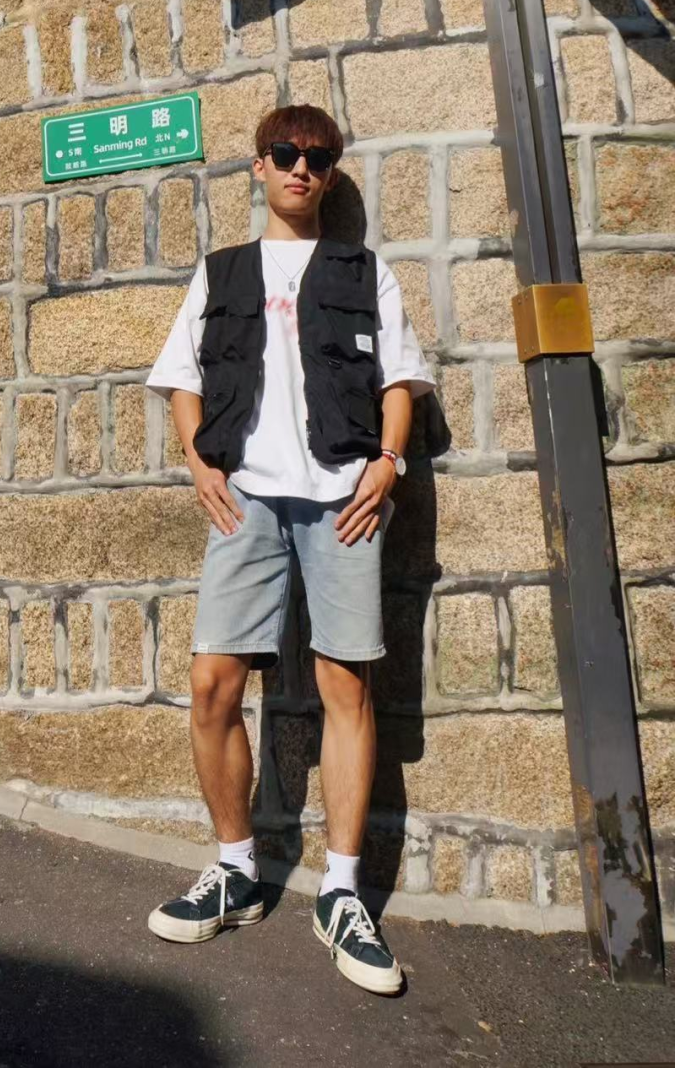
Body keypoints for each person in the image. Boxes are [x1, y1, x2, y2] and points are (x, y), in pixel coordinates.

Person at [145, 104, 434, 994]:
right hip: (246, 499)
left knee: (347, 686)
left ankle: (340, 894)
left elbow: (399, 379)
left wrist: (387, 464)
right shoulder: (221, 271)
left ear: (331, 173)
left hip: (344, 497)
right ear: (259, 166)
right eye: (285, 152)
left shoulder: (364, 271)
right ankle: (237, 868)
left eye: (317, 156)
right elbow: (182, 377)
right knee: (212, 683)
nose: (300, 167)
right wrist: (198, 463)